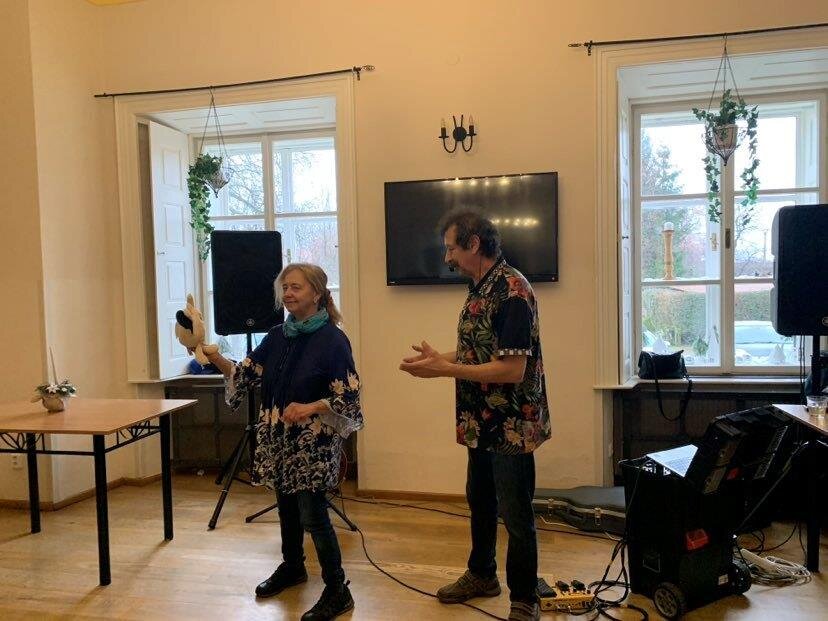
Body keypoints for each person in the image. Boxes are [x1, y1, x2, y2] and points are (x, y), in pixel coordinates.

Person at [399, 210, 550, 621]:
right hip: (479, 421)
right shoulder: (480, 286)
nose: (447, 257)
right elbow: (478, 352)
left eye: (451, 248)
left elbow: (512, 369)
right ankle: (482, 575)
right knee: (480, 500)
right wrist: (438, 359)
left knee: (515, 514)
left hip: (512, 425)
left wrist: (445, 369)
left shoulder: (513, 291)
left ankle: (524, 599)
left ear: (474, 244)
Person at [204, 263, 363, 621]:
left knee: (314, 516)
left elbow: (349, 396)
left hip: (314, 444)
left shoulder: (333, 340)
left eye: (296, 287)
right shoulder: (277, 335)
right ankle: (293, 567)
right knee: (286, 508)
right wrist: (212, 355)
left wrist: (309, 406)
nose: (288, 294)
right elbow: (244, 374)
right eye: (285, 288)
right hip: (279, 439)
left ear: (317, 293)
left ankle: (338, 590)